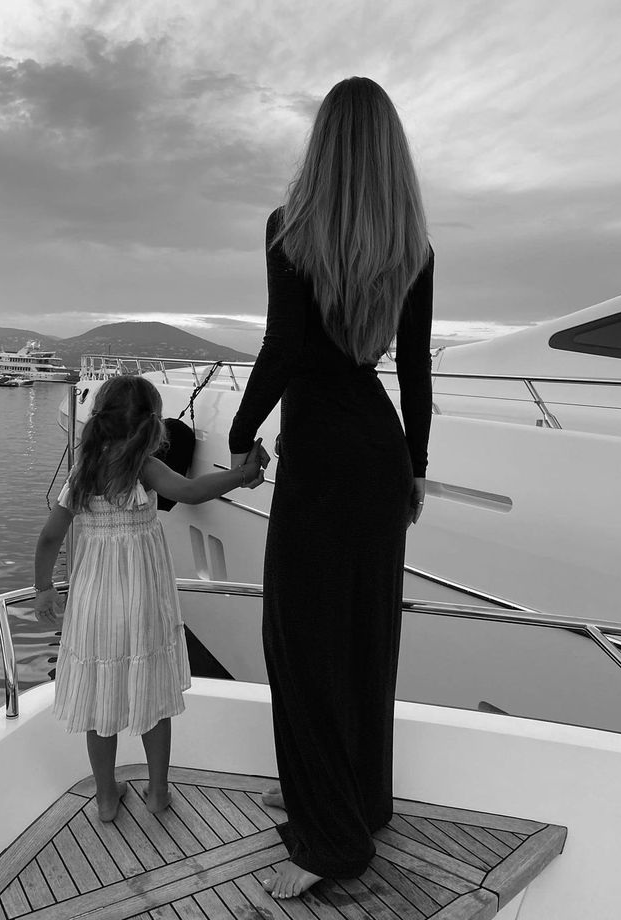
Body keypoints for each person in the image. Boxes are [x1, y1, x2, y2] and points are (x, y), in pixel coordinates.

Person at [229, 76, 434, 899]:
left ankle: (332, 846)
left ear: (324, 142)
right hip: (379, 454)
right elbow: (414, 369)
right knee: (364, 642)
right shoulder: (412, 245)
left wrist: (242, 434)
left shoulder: (291, 228)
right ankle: (359, 805)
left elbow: (283, 349)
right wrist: (415, 465)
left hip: (316, 456)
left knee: (300, 646)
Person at [34, 375, 266, 822]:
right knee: (154, 697)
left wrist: (44, 588)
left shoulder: (82, 475)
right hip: (142, 601)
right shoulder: (143, 467)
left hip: (95, 604)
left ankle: (106, 796)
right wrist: (240, 474)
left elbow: (49, 538)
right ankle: (157, 793)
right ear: (151, 423)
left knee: (100, 703)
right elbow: (191, 492)